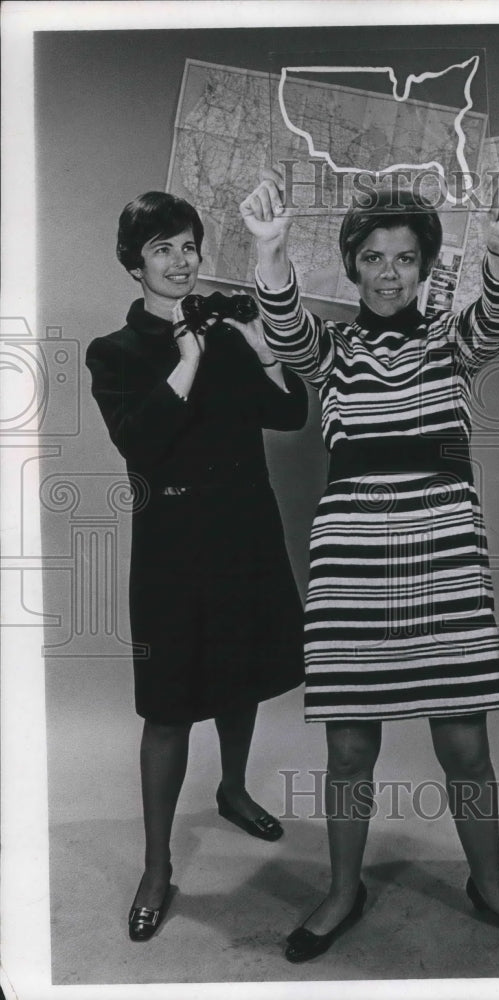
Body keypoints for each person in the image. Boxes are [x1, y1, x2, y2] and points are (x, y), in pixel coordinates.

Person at [238, 170, 499, 962]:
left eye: (406, 258)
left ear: (423, 266)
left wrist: (498, 250)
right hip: (352, 565)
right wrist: (270, 250)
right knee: (349, 747)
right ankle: (342, 889)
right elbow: (283, 332)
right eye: (374, 257)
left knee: (462, 744)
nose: (389, 273)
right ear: (351, 265)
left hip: (444, 556)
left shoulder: (448, 337)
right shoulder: (334, 349)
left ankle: (486, 882)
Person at [86, 191, 308, 941]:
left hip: (243, 533)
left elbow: (288, 416)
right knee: (169, 708)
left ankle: (234, 790)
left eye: (187, 246)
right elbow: (140, 444)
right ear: (135, 263)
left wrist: (261, 346)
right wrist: (186, 361)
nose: (180, 261)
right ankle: (156, 865)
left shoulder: (223, 328)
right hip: (172, 549)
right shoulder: (114, 352)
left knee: (240, 676)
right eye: (161, 250)